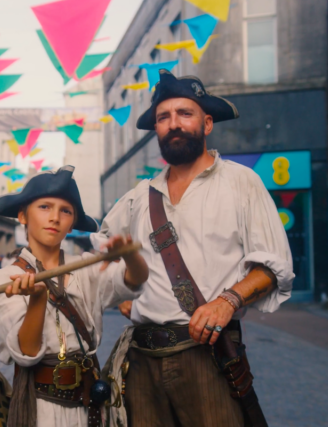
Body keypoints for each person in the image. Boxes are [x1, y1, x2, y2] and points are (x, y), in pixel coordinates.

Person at [95, 71, 295, 427]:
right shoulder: (138, 197)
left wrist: (227, 301)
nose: (173, 124)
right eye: (163, 117)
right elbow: (103, 249)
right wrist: (124, 294)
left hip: (208, 356)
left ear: (206, 123)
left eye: (184, 114)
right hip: (142, 360)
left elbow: (274, 264)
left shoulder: (241, 182)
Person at [0, 166, 149, 427]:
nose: (54, 217)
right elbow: (26, 352)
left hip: (89, 403)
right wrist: (37, 299)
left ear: (73, 222)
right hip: (40, 405)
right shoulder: (7, 278)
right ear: (22, 215)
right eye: (44, 207)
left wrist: (130, 255)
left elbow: (135, 279)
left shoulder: (86, 266)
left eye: (65, 211)